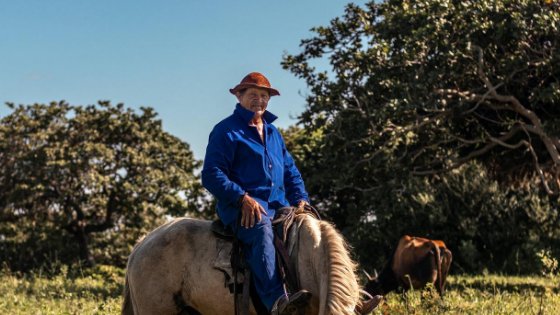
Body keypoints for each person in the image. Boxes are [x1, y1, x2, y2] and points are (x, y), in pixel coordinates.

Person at [201, 72, 312, 314]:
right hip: (242, 209)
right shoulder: (225, 131)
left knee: (314, 229)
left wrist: (301, 199)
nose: (259, 100)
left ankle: (344, 295)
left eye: (264, 96)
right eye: (253, 95)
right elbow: (211, 174)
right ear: (239, 96)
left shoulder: (273, 133)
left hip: (279, 206)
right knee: (261, 229)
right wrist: (241, 198)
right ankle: (278, 302)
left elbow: (291, 172)